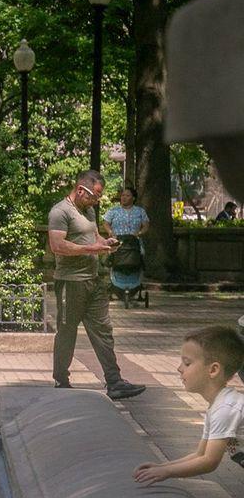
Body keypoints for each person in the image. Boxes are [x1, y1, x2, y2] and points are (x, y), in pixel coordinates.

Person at [133, 325, 244, 498]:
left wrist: (166, 473)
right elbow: (200, 454)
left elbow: (209, 462)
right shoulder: (218, 406)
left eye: (187, 363)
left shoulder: (226, 408)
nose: (179, 368)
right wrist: (162, 466)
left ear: (213, 370)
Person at [48, 170, 145, 399]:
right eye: (95, 196)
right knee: (67, 332)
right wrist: (92, 249)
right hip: (70, 282)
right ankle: (61, 380)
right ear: (81, 190)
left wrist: (106, 242)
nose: (97, 201)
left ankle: (115, 382)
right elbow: (57, 246)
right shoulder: (60, 212)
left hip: (93, 281)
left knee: (103, 331)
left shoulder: (89, 210)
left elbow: (93, 237)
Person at [101, 184, 149, 308]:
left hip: (134, 241)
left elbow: (146, 225)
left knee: (141, 255)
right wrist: (110, 232)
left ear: (133, 198)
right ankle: (113, 281)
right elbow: (105, 223)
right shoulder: (113, 211)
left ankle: (137, 281)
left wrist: (139, 233)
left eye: (127, 195)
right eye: (122, 195)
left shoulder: (140, 211)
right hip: (118, 240)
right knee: (112, 257)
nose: (124, 198)